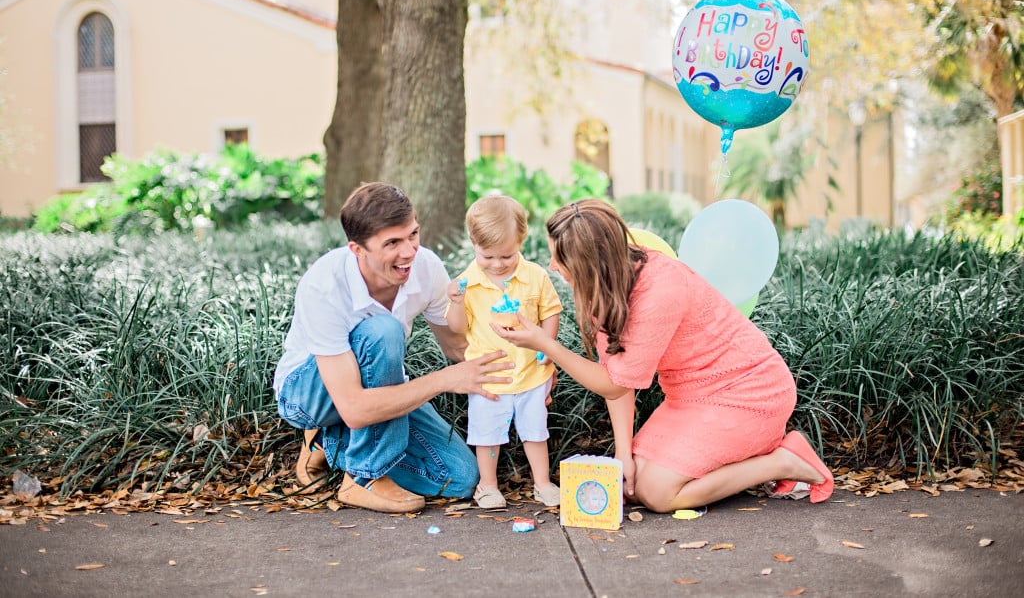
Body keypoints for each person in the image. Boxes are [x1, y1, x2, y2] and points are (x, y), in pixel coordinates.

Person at [492, 199, 833, 513]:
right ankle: (745, 454)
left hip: (748, 393)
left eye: (559, 258)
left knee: (658, 494)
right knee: (635, 482)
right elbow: (617, 373)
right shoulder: (608, 284)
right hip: (691, 397)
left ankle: (783, 461)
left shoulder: (659, 291)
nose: (552, 265)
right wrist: (623, 454)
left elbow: (612, 385)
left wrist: (544, 344)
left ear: (589, 261)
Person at [273, 182, 514, 514]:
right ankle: (363, 476)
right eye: (392, 243)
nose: (410, 252)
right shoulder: (324, 286)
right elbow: (355, 408)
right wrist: (446, 379)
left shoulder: (425, 267)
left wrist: (523, 369)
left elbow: (457, 348)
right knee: (382, 330)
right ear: (358, 249)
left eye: (413, 234)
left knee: (459, 477)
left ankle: (329, 442)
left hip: (377, 386)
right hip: (309, 395)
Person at [445, 195, 563, 509]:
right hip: (489, 376)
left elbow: (551, 311)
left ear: (521, 241)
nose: (497, 264)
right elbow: (457, 328)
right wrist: (456, 303)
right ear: (473, 244)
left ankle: (542, 483)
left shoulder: (535, 276)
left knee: (536, 432)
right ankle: (487, 485)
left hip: (531, 372)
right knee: (487, 436)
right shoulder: (466, 283)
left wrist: (547, 350)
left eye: (507, 256)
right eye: (488, 256)